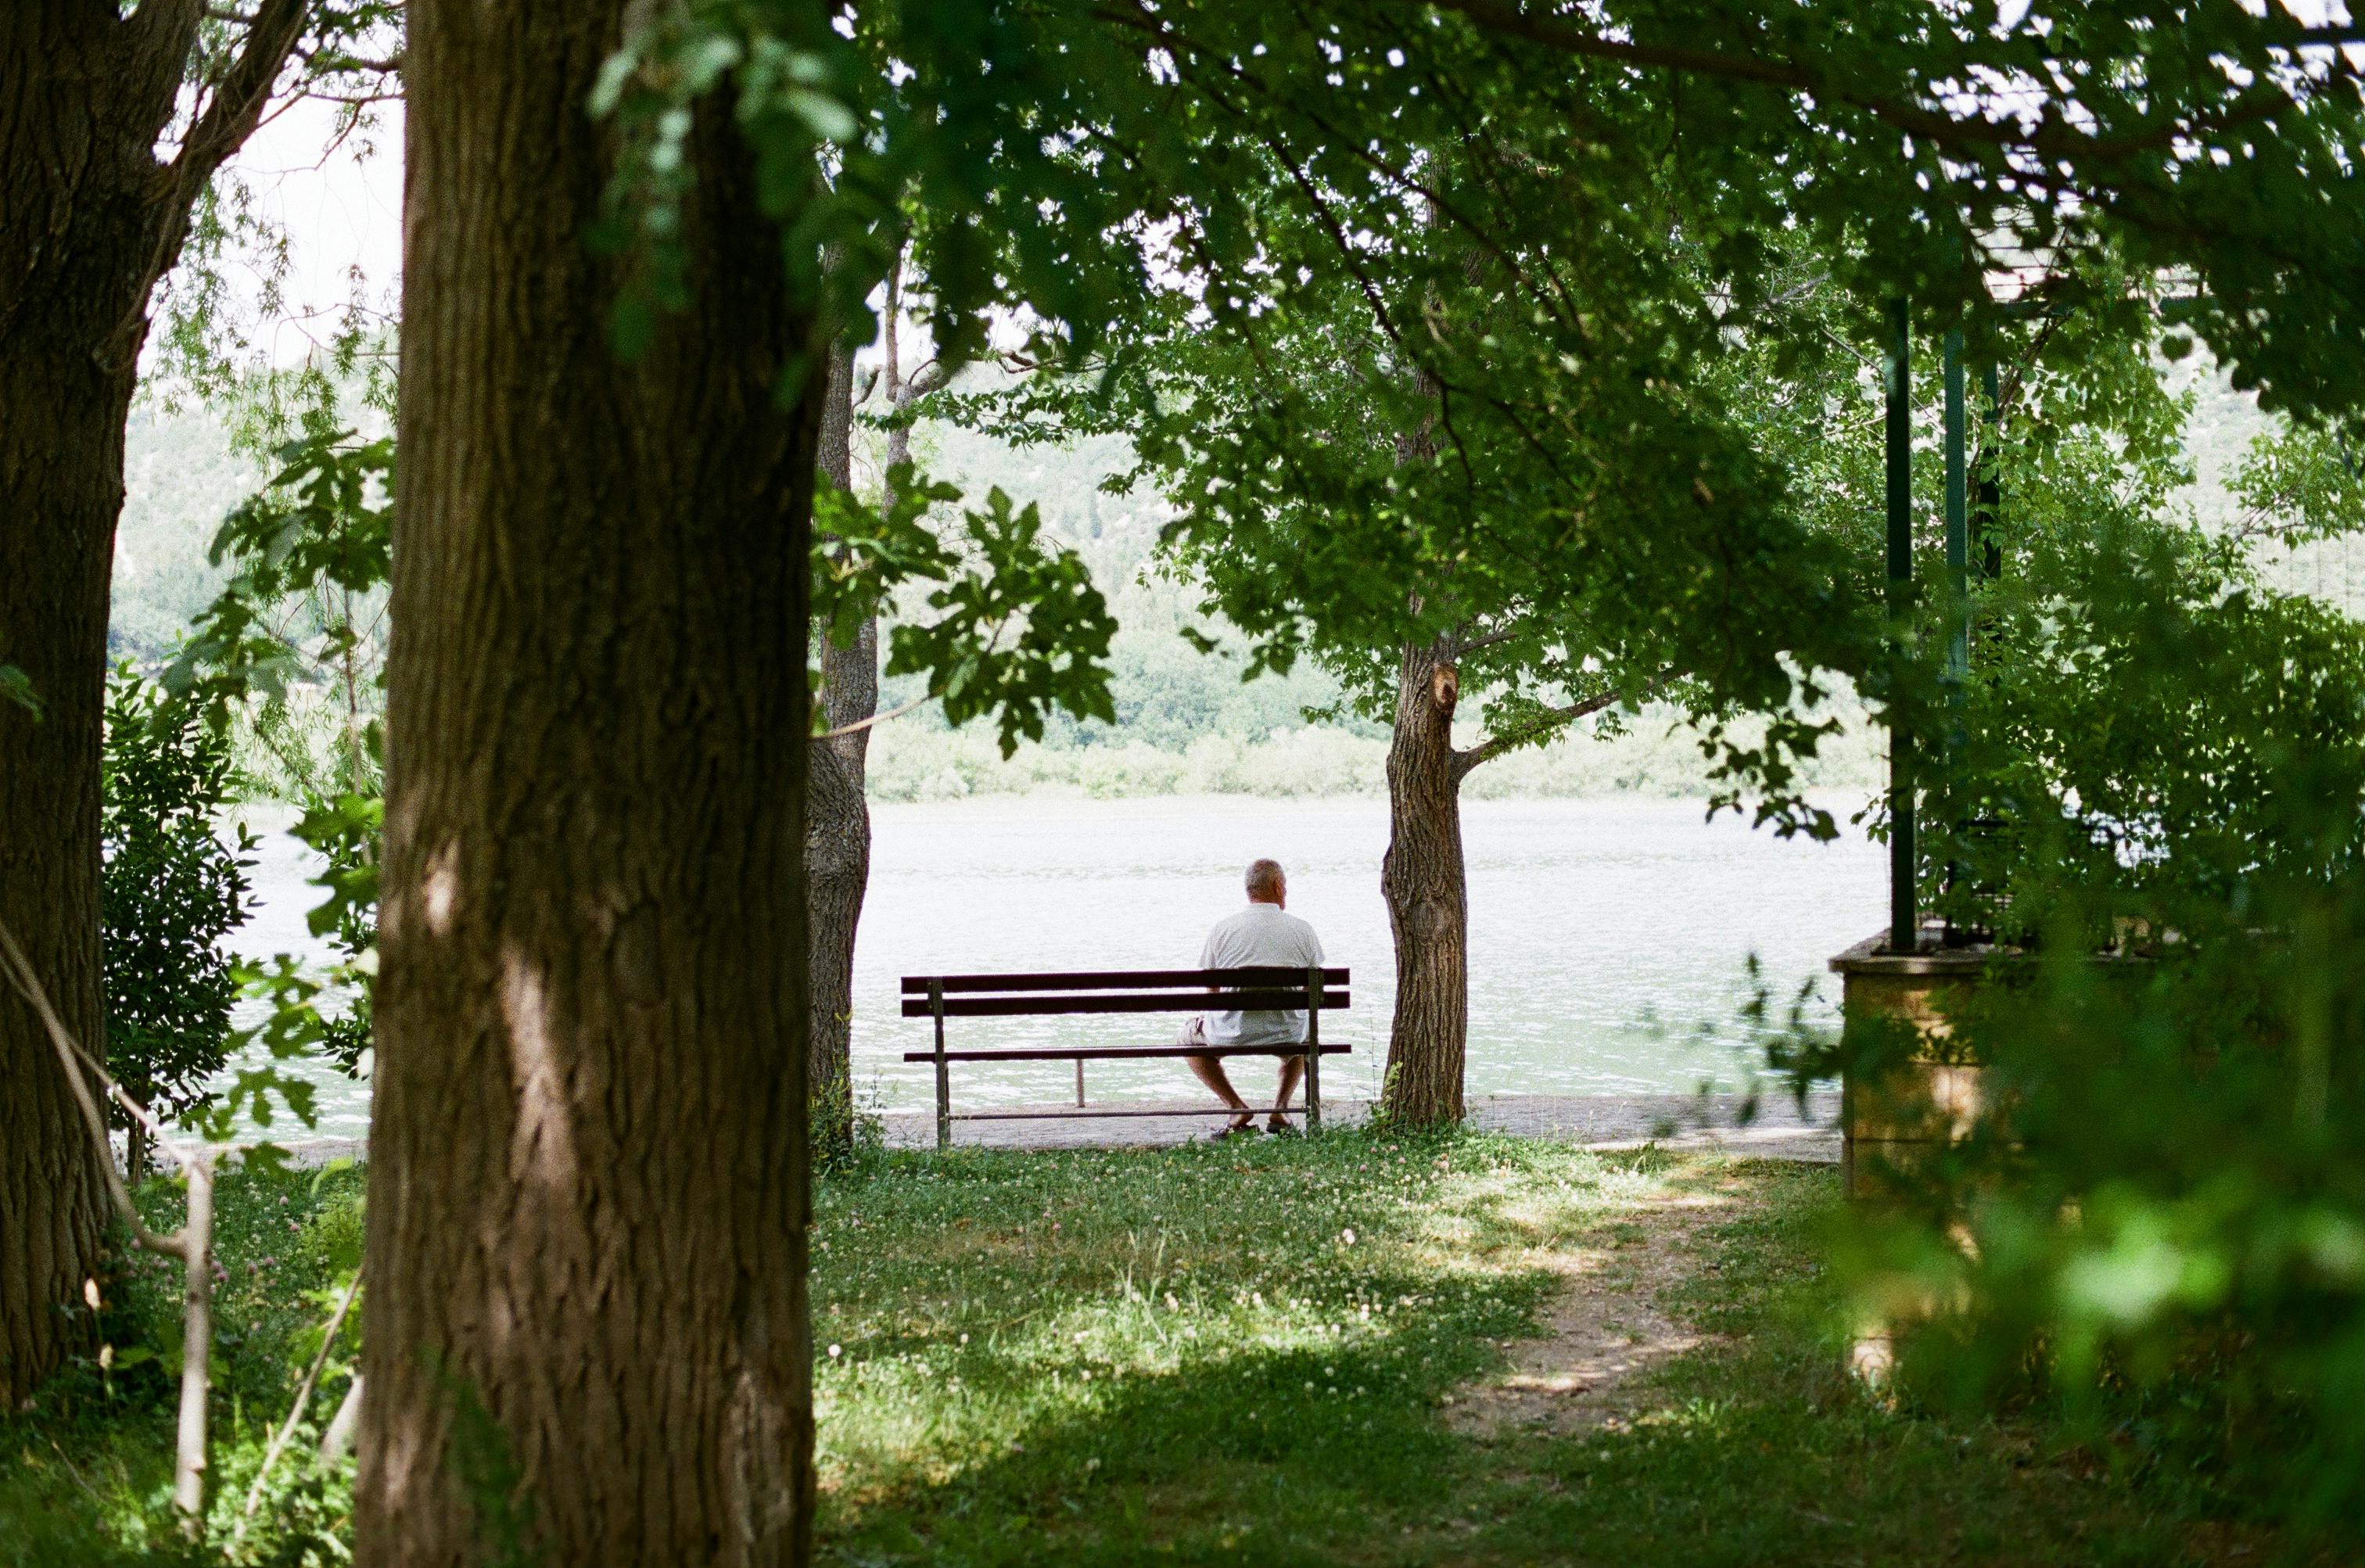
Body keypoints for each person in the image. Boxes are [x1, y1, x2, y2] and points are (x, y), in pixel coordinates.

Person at [1181, 858, 1325, 1137]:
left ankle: (1236, 1107)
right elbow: (1313, 993)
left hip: (1230, 1034)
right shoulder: (1302, 929)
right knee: (1304, 1034)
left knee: (1187, 1040)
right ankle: (1280, 1109)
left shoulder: (1222, 929)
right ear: (1278, 886)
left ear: (1249, 890)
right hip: (1286, 1033)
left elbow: (1212, 991)